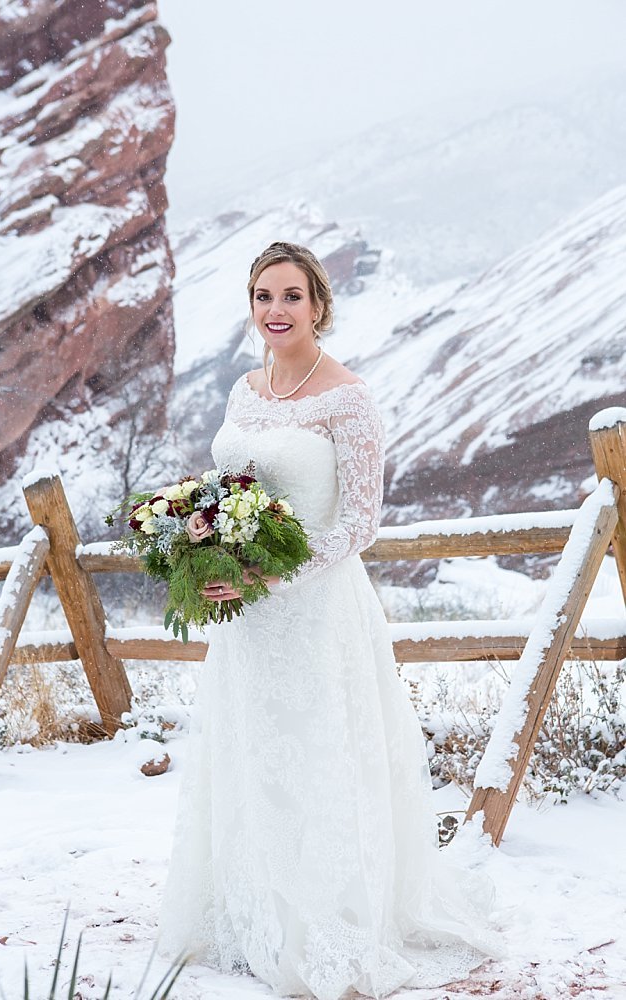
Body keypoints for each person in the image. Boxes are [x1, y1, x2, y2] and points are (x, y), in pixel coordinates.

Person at [157, 241, 506, 998]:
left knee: (316, 755)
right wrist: (211, 554)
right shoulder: (244, 391)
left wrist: (268, 570)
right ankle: (256, 912)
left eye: (290, 296)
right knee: (253, 754)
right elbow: (229, 495)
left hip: (315, 612)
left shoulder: (347, 398)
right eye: (261, 296)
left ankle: (328, 921)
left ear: (318, 304)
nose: (274, 311)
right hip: (247, 620)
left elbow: (358, 524)